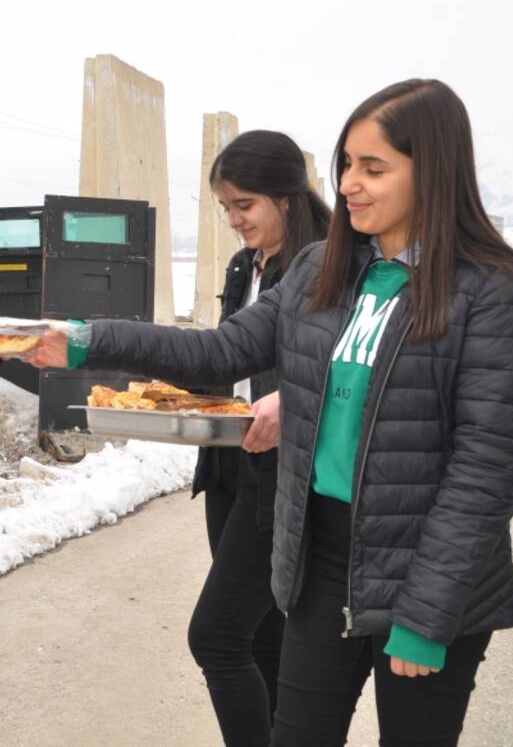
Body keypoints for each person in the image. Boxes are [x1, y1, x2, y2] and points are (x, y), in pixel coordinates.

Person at [33, 79, 513, 746]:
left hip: (421, 571)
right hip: (321, 561)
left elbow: (486, 470)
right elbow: (221, 351)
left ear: (436, 171)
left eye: (374, 167)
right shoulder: (320, 270)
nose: (350, 184)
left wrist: (426, 614)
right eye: (346, 164)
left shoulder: (490, 294)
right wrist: (87, 339)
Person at [186, 131, 330, 746]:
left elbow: (341, 369)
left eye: (244, 204)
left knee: (216, 635)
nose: (233, 219)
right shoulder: (246, 264)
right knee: (260, 634)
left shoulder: (324, 264)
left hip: (282, 471)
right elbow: (227, 355)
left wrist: (290, 400)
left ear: (287, 197)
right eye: (225, 207)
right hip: (227, 460)